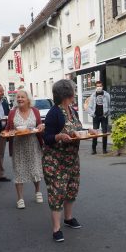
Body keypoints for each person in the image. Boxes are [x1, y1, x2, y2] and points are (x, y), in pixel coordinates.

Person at [43, 80, 92, 243]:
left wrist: (87, 131)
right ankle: (56, 229)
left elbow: (76, 130)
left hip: (71, 159)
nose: (75, 93)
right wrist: (58, 136)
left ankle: (68, 218)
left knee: (71, 188)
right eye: (73, 90)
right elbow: (47, 137)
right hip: (55, 160)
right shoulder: (54, 113)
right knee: (57, 192)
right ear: (67, 94)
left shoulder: (72, 110)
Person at [5, 90, 45, 209]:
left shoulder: (35, 111)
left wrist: (41, 126)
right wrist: (10, 132)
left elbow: (40, 125)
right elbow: (7, 129)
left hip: (33, 144)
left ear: (28, 99)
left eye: (22, 97)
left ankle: (38, 191)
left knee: (35, 169)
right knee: (18, 170)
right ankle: (20, 198)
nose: (20, 99)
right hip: (18, 146)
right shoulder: (12, 113)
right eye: (18, 97)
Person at [87, 80, 111, 154]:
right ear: (95, 87)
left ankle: (104, 149)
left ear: (102, 86)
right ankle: (94, 149)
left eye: (100, 86)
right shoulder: (93, 95)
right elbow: (89, 107)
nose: (99, 87)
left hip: (104, 116)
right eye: (97, 86)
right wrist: (92, 114)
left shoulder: (106, 95)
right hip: (96, 116)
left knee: (104, 133)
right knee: (95, 133)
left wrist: (107, 113)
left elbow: (109, 105)